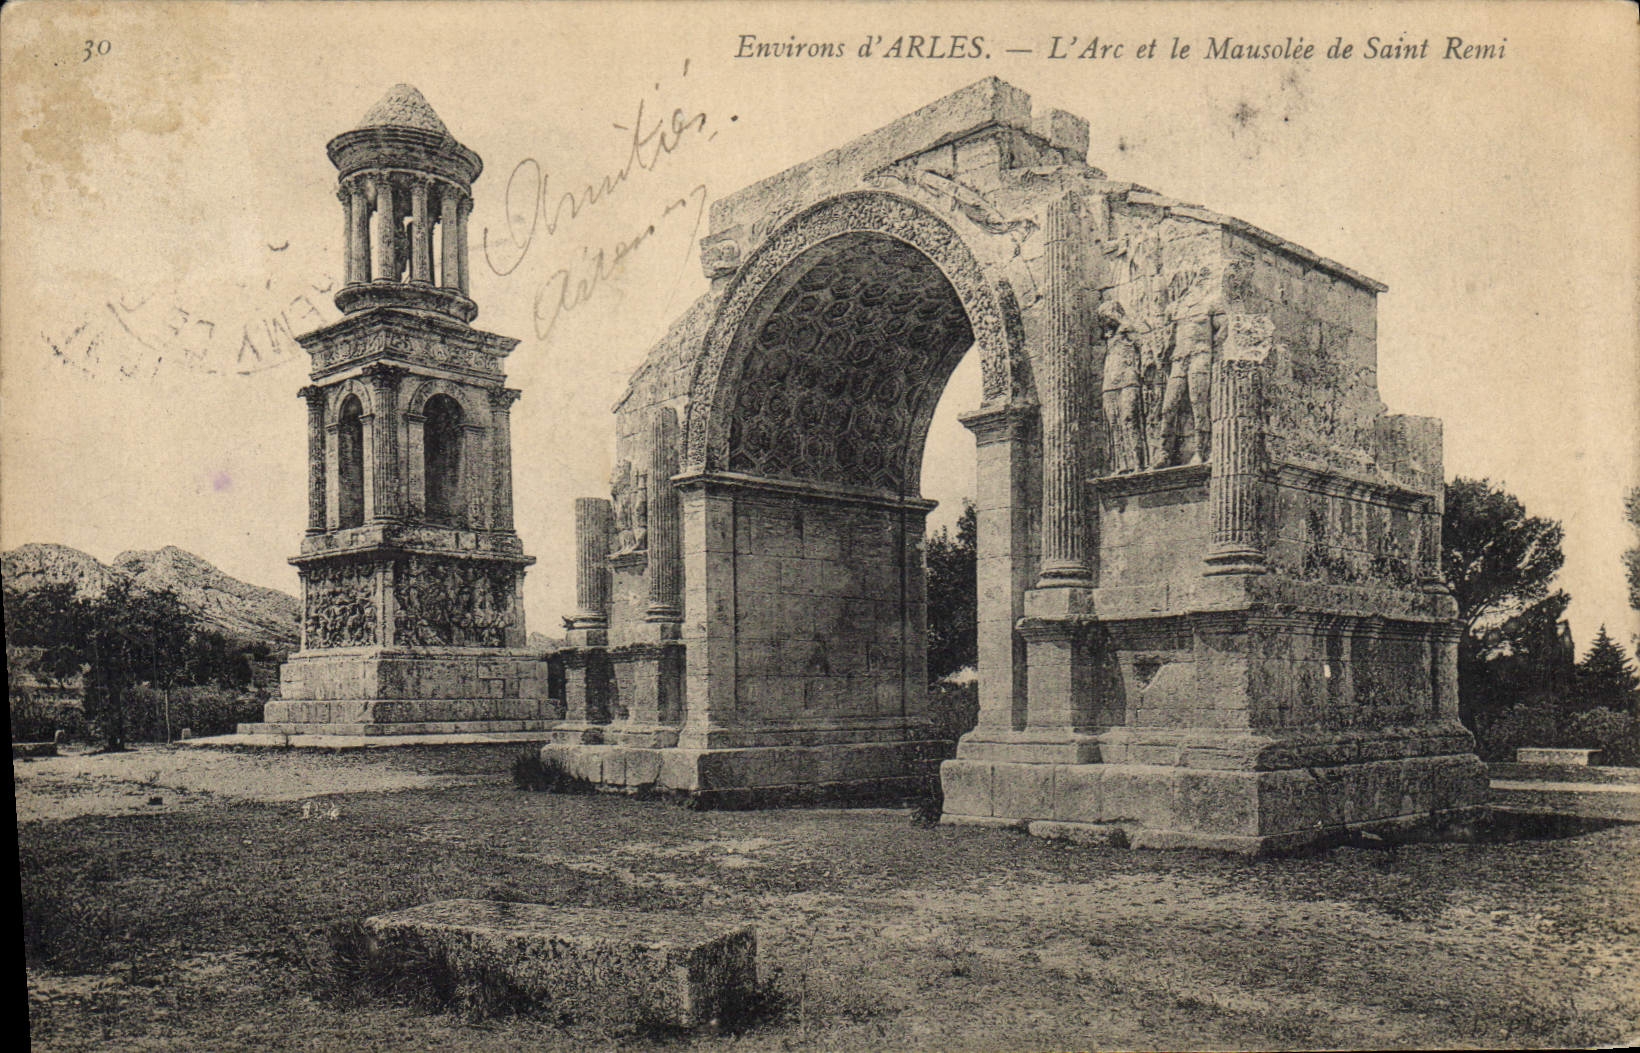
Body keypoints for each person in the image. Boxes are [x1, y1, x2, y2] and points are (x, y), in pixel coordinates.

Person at [1098, 300, 1145, 474]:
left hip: (1128, 378)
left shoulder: (1127, 328)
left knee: (1129, 418)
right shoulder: (1108, 336)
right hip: (1110, 382)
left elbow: (1141, 341)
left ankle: (1138, 462)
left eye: (1107, 316)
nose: (1106, 321)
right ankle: (1122, 464)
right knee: (1114, 424)